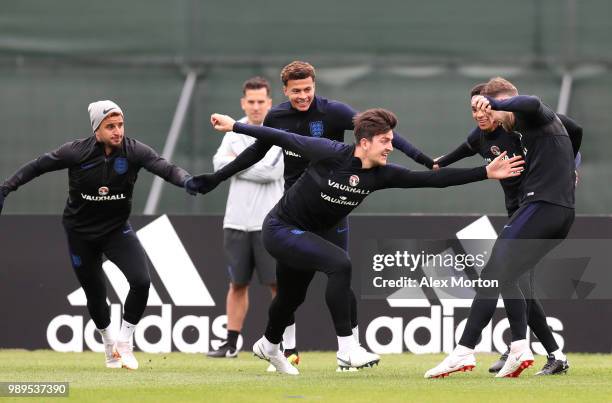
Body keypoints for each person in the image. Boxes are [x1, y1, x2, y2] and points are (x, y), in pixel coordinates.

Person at [206, 108, 523, 375]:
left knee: (291, 297)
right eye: (385, 141)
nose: (390, 146)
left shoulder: (382, 174)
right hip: (280, 228)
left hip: (309, 235)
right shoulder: (330, 152)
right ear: (364, 142)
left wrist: (485, 172)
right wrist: (235, 125)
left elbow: (431, 180)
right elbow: (282, 137)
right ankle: (347, 349)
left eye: (391, 141)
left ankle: (269, 345)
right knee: (340, 264)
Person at [194, 61, 435, 369]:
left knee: (341, 271)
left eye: (308, 89)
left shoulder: (333, 112)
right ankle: (277, 346)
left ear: (314, 86)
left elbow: (381, 131)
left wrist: (424, 160)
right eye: (296, 91)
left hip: (332, 208)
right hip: (296, 210)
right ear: (285, 91)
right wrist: (217, 177)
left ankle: (350, 350)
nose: (303, 96)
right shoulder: (278, 116)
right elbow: (257, 151)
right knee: (289, 291)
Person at [0, 100, 200, 370]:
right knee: (95, 295)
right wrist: (6, 188)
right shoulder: (75, 152)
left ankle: (125, 342)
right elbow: (38, 166)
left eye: (120, 125)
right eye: (110, 126)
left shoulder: (134, 150)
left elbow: (164, 167)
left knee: (141, 282)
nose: (118, 131)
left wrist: (187, 180)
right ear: (97, 129)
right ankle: (109, 344)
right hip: (80, 234)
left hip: (116, 230)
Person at [425, 77, 577, 379]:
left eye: (488, 110)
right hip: (550, 213)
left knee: (493, 275)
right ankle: (522, 348)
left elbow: (532, 103)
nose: (485, 117)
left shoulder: (531, 114)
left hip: (541, 208)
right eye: (478, 110)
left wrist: (573, 166)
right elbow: (466, 148)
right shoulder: (511, 129)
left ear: (503, 104)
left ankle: (464, 352)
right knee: (507, 277)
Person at [207, 77, 284, 358]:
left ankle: (281, 343)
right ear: (243, 103)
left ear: (269, 102)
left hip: (270, 223)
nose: (255, 106)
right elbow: (218, 165)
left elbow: (271, 172)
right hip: (236, 221)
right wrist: (247, 162)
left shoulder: (279, 130)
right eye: (250, 102)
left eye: (260, 101)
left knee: (277, 285)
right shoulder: (232, 131)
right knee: (237, 284)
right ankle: (230, 344)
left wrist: (236, 163)